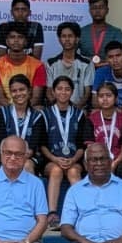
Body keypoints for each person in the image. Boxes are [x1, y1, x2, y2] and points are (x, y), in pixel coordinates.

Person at [40, 77, 84, 226]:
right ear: (53, 91)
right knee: (56, 171)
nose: (63, 92)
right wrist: (54, 158)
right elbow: (41, 144)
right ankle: (52, 213)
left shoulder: (79, 114)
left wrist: (73, 159)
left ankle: (82, 211)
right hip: (51, 160)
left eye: (67, 89)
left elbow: (82, 145)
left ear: (72, 92)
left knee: (73, 172)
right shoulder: (45, 114)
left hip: (74, 160)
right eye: (59, 89)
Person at [0, 74, 47, 174]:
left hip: (29, 156)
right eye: (14, 91)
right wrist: (12, 155)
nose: (18, 93)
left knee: (27, 165)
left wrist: (19, 156)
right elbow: (1, 140)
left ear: (29, 91)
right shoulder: (2, 113)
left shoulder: (37, 116)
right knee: (9, 163)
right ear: (10, 93)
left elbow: (33, 146)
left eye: (22, 89)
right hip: (7, 155)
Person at [0, 23, 47, 106]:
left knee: (39, 109)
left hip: (28, 108)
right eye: (12, 37)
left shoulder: (38, 65)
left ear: (26, 42)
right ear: (7, 42)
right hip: (6, 108)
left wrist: (22, 109)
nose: (16, 40)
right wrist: (13, 111)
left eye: (20, 37)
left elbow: (36, 98)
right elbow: (0, 97)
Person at [46, 22, 93, 108]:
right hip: (56, 109)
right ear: (59, 39)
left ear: (77, 39)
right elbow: (49, 91)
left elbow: (87, 92)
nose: (67, 39)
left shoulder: (87, 63)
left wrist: (75, 109)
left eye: (70, 36)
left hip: (79, 109)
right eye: (64, 36)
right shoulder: (50, 63)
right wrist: (59, 108)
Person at [79, 0, 122, 66]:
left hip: (109, 72)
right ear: (90, 11)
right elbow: (73, 56)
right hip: (85, 71)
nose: (97, 11)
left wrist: (100, 65)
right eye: (94, 8)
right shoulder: (81, 32)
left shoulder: (116, 32)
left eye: (101, 7)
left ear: (107, 10)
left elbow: (119, 57)